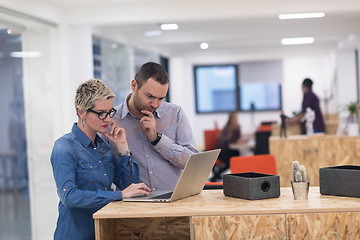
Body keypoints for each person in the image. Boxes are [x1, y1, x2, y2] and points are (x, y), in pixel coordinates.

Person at [50, 79, 151, 240]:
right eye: (101, 113)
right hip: (75, 234)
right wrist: (118, 195)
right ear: (81, 112)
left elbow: (130, 188)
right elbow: (69, 196)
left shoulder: (105, 145)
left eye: (110, 112)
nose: (108, 119)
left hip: (105, 230)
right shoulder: (64, 147)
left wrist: (123, 149)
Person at [114, 62, 198, 191]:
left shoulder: (175, 113)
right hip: (135, 204)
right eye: (150, 96)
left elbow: (192, 162)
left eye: (161, 98)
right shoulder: (112, 120)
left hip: (174, 201)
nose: (155, 104)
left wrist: (157, 139)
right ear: (134, 85)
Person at [210, 112, 241, 182]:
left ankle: (218, 174)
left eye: (237, 119)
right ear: (231, 119)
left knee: (236, 153)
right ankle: (217, 175)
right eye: (235, 119)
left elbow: (236, 139)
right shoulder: (227, 128)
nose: (236, 120)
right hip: (221, 150)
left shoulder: (236, 127)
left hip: (227, 149)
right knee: (230, 160)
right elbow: (229, 140)